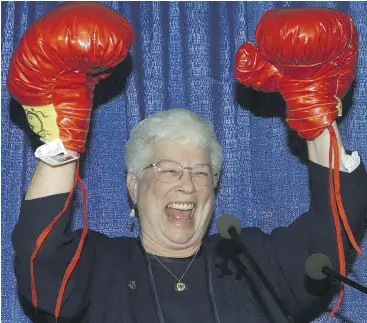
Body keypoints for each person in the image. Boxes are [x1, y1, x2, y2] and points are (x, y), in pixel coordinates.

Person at [8, 3, 366, 323]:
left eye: (201, 172)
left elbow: (332, 236)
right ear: (133, 186)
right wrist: (64, 139)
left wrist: (313, 105)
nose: (187, 184)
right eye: (167, 169)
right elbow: (40, 262)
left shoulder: (253, 261)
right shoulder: (100, 267)